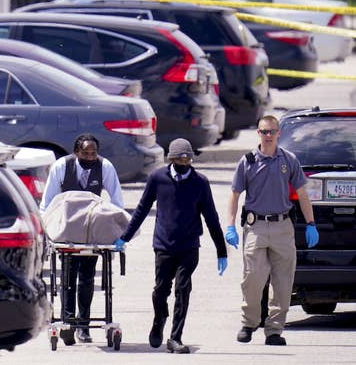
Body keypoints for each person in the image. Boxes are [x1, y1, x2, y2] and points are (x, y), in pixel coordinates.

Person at [114, 138, 227, 354]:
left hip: (189, 245)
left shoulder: (200, 182)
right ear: (171, 159)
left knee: (183, 289)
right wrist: (124, 237)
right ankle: (159, 320)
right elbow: (142, 208)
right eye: (180, 159)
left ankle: (175, 337)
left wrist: (221, 250)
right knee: (160, 291)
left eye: (188, 159)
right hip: (164, 244)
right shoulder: (158, 178)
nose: (184, 162)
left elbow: (211, 217)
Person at [225, 115, 318, 346]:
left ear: (278, 134)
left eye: (272, 132)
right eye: (263, 132)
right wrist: (230, 224)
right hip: (255, 226)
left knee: (283, 282)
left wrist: (311, 224)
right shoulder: (247, 161)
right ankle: (249, 323)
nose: (268, 136)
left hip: (282, 227)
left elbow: (303, 194)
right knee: (253, 279)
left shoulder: (289, 160)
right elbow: (235, 194)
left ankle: (275, 330)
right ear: (258, 133)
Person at [40, 133, 124, 345]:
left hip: (91, 230)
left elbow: (116, 200)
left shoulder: (105, 167)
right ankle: (68, 323)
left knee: (87, 278)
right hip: (67, 230)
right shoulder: (61, 167)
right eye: (85, 153)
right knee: (68, 276)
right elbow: (47, 202)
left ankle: (84, 326)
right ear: (76, 152)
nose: (89, 156)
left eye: (93, 152)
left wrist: (117, 231)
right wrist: (47, 231)